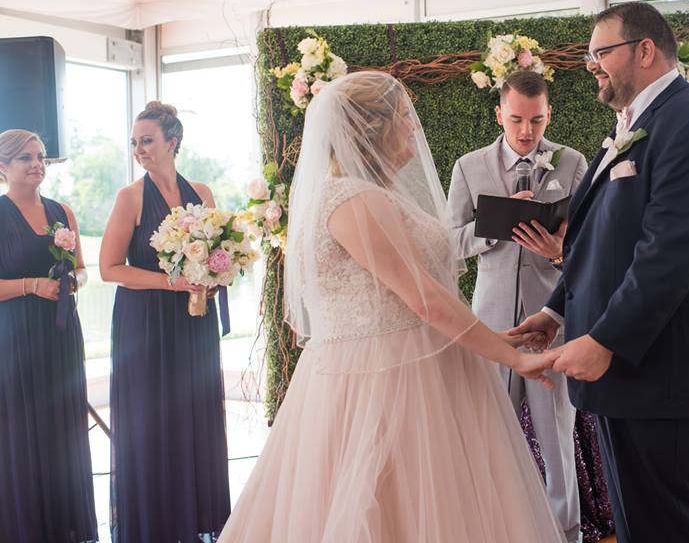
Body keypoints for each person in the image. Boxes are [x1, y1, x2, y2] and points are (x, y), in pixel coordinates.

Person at [218, 71, 563, 542]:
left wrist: (491, 339)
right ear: (373, 128)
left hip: (415, 363)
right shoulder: (354, 201)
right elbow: (423, 297)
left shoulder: (366, 195)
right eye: (404, 117)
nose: (414, 128)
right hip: (385, 379)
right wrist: (514, 358)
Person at [511, 1, 689, 543]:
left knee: (674, 529)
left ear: (645, 50)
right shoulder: (640, 122)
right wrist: (556, 309)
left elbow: (671, 252)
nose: (592, 66)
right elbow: (601, 240)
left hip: (677, 374)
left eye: (600, 53)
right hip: (641, 377)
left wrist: (606, 337)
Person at [447, 70, 587, 543]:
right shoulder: (468, 166)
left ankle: (565, 532)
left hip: (551, 322)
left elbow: (591, 243)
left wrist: (559, 251)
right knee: (491, 435)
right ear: (498, 115)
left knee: (558, 439)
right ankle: (491, 529)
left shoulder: (572, 163)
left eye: (537, 120)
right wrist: (498, 225)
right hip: (491, 326)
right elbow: (450, 242)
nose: (527, 132)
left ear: (549, 114)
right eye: (516, 120)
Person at [100, 101, 230, 542]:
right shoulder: (130, 197)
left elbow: (218, 253)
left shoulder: (203, 193)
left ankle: (195, 518)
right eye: (135, 142)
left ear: (172, 142)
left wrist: (214, 275)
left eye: (148, 141)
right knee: (153, 420)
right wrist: (171, 282)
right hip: (145, 325)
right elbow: (109, 268)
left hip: (194, 324)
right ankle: (153, 523)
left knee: (193, 411)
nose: (139, 149)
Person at [0, 129, 98, 543]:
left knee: (62, 427)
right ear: (3, 166)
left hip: (60, 335)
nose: (37, 164)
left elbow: (81, 270)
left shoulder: (63, 211)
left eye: (40, 157)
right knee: (22, 427)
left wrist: (70, 282)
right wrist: (32, 285)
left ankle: (67, 524)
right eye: (25, 157)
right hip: (14, 338)